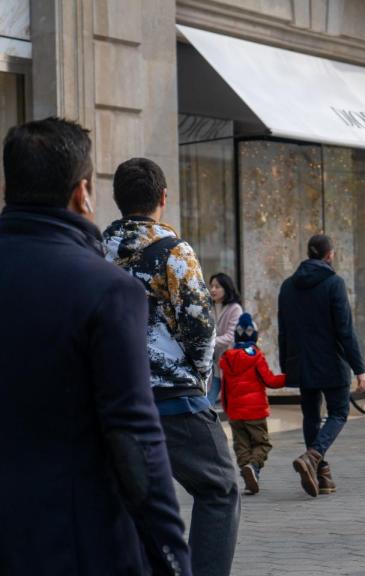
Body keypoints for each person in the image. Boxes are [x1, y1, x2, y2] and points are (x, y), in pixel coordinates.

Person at [0, 118, 191, 575]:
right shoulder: (105, 289)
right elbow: (133, 437)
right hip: (74, 540)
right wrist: (171, 555)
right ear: (83, 192)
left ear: (7, 186)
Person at [104, 157, 239, 575]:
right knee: (219, 487)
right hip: (173, 400)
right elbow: (199, 329)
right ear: (163, 197)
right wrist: (198, 382)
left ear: (117, 200)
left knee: (128, 501)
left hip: (113, 398)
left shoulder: (94, 251)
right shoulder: (174, 252)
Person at [278, 234, 365, 497]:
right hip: (332, 362)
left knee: (311, 416)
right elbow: (345, 330)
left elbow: (283, 330)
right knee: (339, 413)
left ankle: (321, 474)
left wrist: (287, 366)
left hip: (302, 364)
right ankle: (313, 457)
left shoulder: (287, 286)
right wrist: (360, 369)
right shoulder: (334, 283)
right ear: (329, 255)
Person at [219, 313, 287, 495]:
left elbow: (224, 388)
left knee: (241, 446)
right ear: (254, 336)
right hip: (255, 412)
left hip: (235, 413)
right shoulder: (256, 356)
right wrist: (288, 378)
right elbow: (269, 380)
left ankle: (248, 474)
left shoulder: (227, 358)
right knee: (262, 444)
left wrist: (227, 410)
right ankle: (253, 467)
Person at [209, 272, 243, 404]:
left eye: (217, 287)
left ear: (226, 288)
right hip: (213, 364)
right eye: (211, 286)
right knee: (208, 401)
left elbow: (230, 336)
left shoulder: (235, 309)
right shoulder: (209, 308)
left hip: (229, 363)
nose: (213, 290)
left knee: (231, 402)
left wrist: (208, 343)